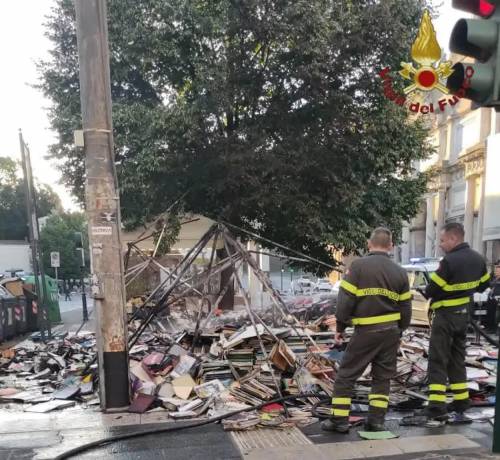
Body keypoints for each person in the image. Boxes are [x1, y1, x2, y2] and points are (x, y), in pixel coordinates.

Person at [321, 227, 411, 433]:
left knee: (346, 375)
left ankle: (339, 420)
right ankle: (376, 421)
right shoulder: (400, 272)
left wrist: (341, 326)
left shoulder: (358, 267)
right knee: (382, 378)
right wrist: (400, 331)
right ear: (391, 246)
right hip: (390, 333)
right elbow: (406, 308)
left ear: (369, 244)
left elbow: (345, 301)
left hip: (366, 331)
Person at [422, 222, 489, 420]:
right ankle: (461, 401)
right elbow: (483, 285)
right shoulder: (478, 259)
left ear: (453, 238)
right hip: (464, 317)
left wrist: (433, 292)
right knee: (457, 359)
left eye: (442, 240)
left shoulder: (449, 261)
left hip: (445, 316)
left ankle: (436, 407)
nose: (441, 244)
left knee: (438, 360)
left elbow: (431, 290)